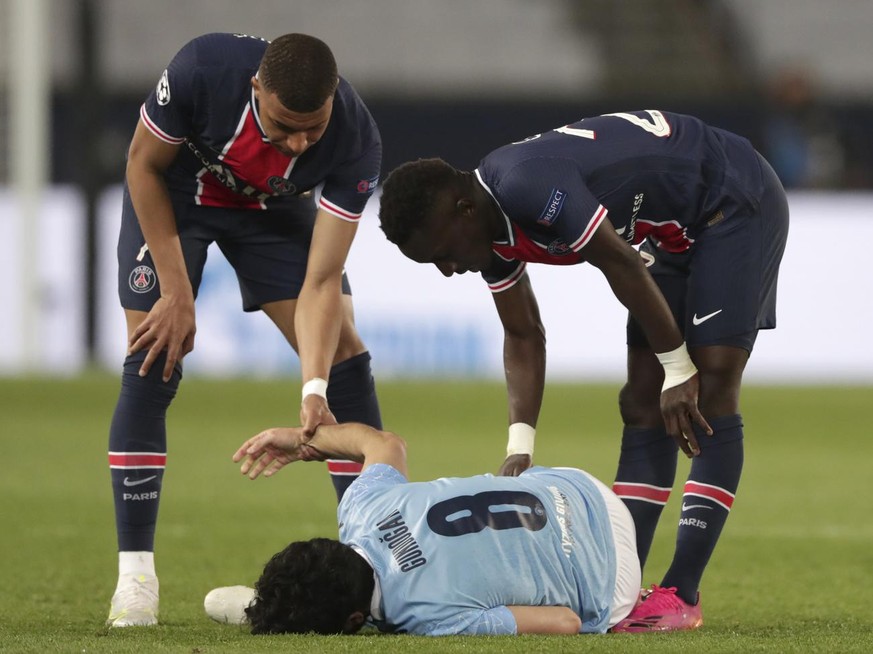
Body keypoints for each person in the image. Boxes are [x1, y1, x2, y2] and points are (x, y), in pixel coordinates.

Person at [377, 110, 789, 631]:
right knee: (641, 401)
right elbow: (524, 333)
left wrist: (678, 368)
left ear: (464, 209)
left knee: (708, 387)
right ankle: (621, 587)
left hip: (731, 199)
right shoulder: (486, 232)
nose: (447, 268)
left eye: (442, 253)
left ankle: (681, 594)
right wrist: (519, 446)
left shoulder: (526, 185)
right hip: (673, 230)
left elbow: (617, 261)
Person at [107, 32, 383, 627]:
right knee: (156, 353)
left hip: (272, 214)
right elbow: (142, 165)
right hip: (177, 198)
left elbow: (323, 280)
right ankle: (135, 578)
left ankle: (373, 564)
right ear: (256, 88)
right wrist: (177, 292)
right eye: (284, 126)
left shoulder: (355, 136)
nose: (299, 142)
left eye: (313, 127)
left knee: (343, 354)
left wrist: (314, 389)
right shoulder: (202, 70)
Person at [204, 421, 641, 636]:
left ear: (356, 620)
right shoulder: (361, 508)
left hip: (612, 577)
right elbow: (384, 443)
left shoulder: (426, 615)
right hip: (576, 486)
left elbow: (564, 622)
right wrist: (305, 441)